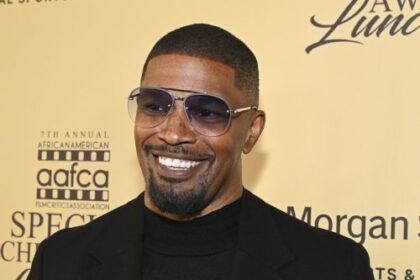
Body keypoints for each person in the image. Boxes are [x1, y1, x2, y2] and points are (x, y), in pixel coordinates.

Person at [28, 23, 374, 280]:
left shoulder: (332, 267)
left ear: (251, 131)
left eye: (207, 112)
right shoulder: (60, 261)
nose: (173, 133)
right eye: (155, 106)